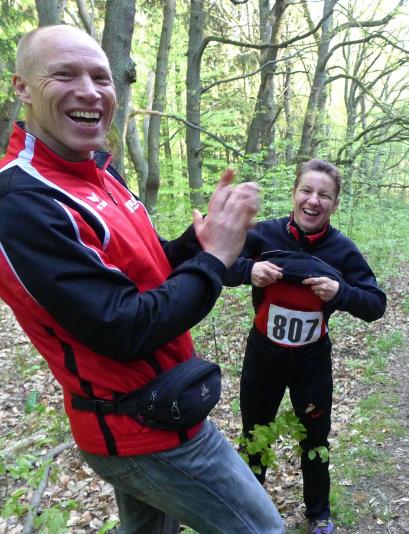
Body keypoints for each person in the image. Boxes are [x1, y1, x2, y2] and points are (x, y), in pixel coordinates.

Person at [0, 25, 283, 533]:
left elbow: (145, 272)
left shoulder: (98, 173)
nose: (90, 91)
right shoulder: (22, 201)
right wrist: (216, 259)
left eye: (101, 78)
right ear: (22, 87)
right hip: (141, 431)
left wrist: (197, 244)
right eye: (64, 75)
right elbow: (125, 327)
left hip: (161, 409)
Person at [224, 159, 386, 534]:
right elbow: (218, 265)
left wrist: (340, 292)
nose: (313, 201)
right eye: (307, 191)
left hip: (311, 360)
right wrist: (248, 271)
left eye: (324, 195)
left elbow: (376, 304)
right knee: (254, 435)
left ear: (335, 204)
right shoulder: (263, 235)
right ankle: (250, 513)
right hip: (263, 354)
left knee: (314, 438)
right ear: (294, 193)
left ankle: (318, 514)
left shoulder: (343, 251)